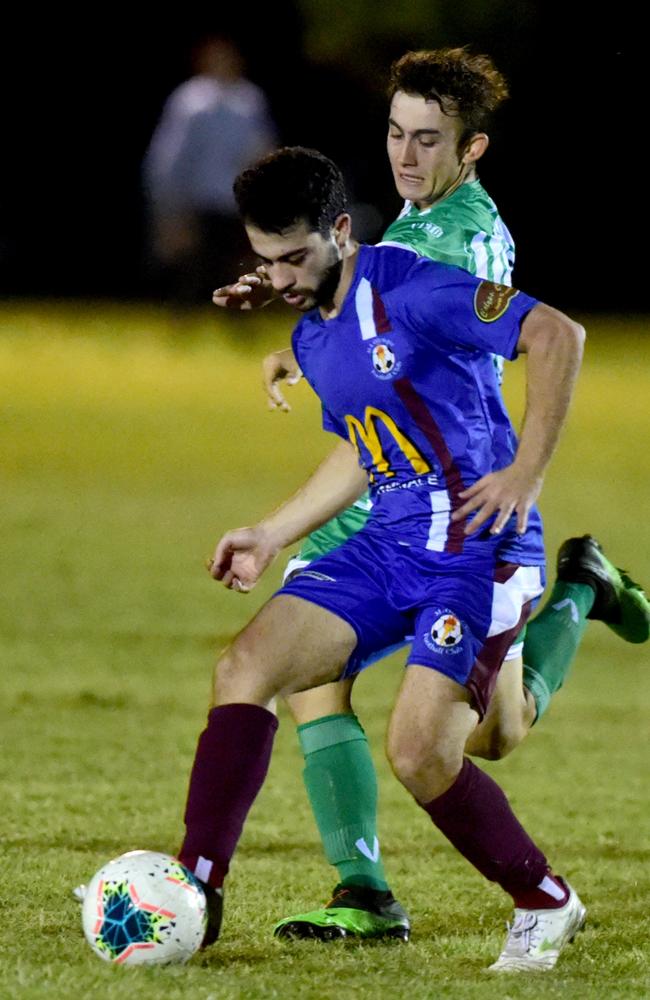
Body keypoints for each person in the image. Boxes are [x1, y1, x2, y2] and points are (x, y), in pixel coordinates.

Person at [212, 49, 650, 943]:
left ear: (471, 148)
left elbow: (425, 325)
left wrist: (308, 315)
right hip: (387, 481)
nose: (405, 157)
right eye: (395, 134)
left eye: (428, 141)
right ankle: (364, 886)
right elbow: (362, 292)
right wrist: (294, 297)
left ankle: (575, 593)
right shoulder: (419, 212)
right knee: (306, 669)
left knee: (487, 736)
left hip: (450, 494)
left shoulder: (465, 241)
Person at [178, 145, 590, 973]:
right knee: (245, 668)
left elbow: (556, 334)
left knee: (424, 754)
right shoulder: (315, 333)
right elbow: (365, 453)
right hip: (391, 539)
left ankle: (547, 902)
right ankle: (194, 891)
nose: (282, 278)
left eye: (295, 258)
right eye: (267, 261)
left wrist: (527, 471)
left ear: (340, 230)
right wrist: (270, 532)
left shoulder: (414, 286)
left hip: (475, 546)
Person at [143, 35, 277, 303]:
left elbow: (263, 148)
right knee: (196, 267)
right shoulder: (190, 101)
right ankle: (187, 322)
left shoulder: (249, 100)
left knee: (238, 268)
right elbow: (170, 156)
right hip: (200, 201)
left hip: (237, 203)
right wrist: (168, 206)